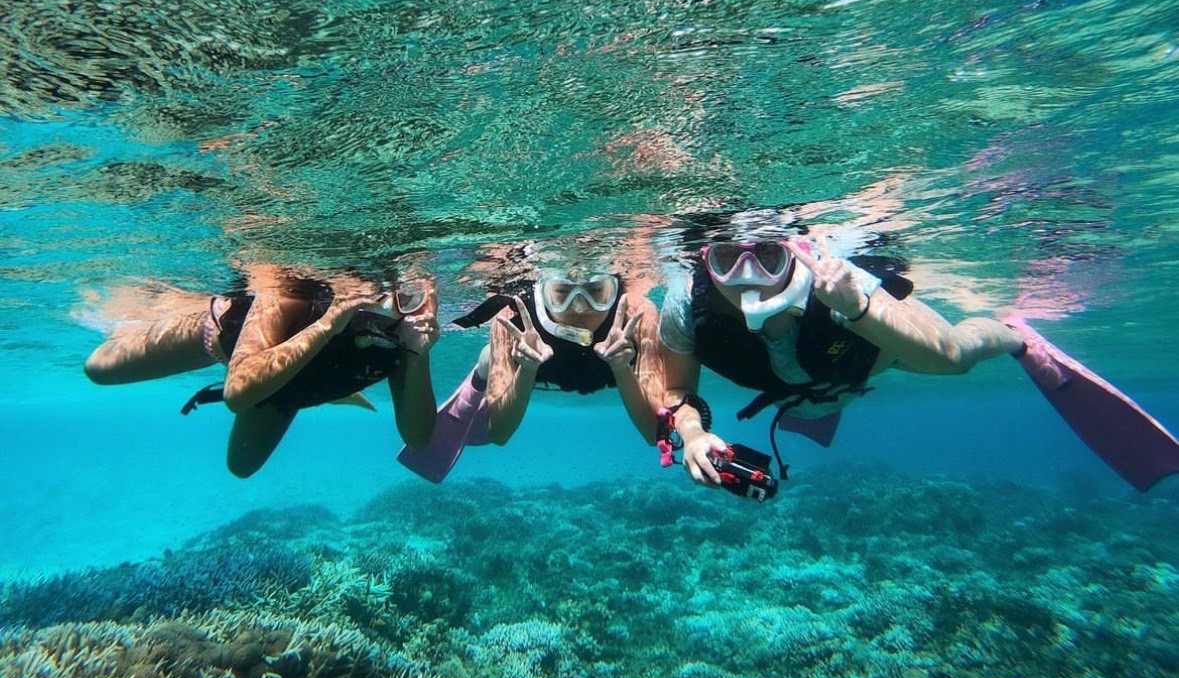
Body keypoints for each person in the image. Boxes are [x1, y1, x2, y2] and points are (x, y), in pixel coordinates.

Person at [656, 232, 1179, 493]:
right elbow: (677, 392)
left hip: (878, 358)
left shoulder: (834, 279)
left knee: (958, 352)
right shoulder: (687, 303)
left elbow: (943, 360)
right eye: (728, 260)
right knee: (818, 397)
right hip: (807, 382)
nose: (748, 276)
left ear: (793, 252)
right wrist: (695, 434)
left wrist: (856, 307)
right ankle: (822, 400)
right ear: (706, 259)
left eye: (768, 257)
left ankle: (1014, 337)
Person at [84, 266, 440, 477]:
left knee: (242, 467)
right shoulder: (293, 291)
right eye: (373, 295)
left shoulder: (402, 333)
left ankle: (329, 390)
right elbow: (237, 394)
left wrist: (419, 354)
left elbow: (418, 437)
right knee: (99, 368)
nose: (380, 310)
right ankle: (162, 312)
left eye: (405, 298)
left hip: (290, 387)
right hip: (232, 347)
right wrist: (330, 324)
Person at [397, 267, 662, 482]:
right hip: (534, 368)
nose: (580, 308)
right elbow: (499, 434)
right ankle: (480, 375)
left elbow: (654, 434)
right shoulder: (512, 314)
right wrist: (526, 370)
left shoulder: (638, 315)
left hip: (613, 370)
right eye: (562, 293)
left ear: (615, 291)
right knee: (491, 357)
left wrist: (622, 368)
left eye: (596, 292)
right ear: (542, 288)